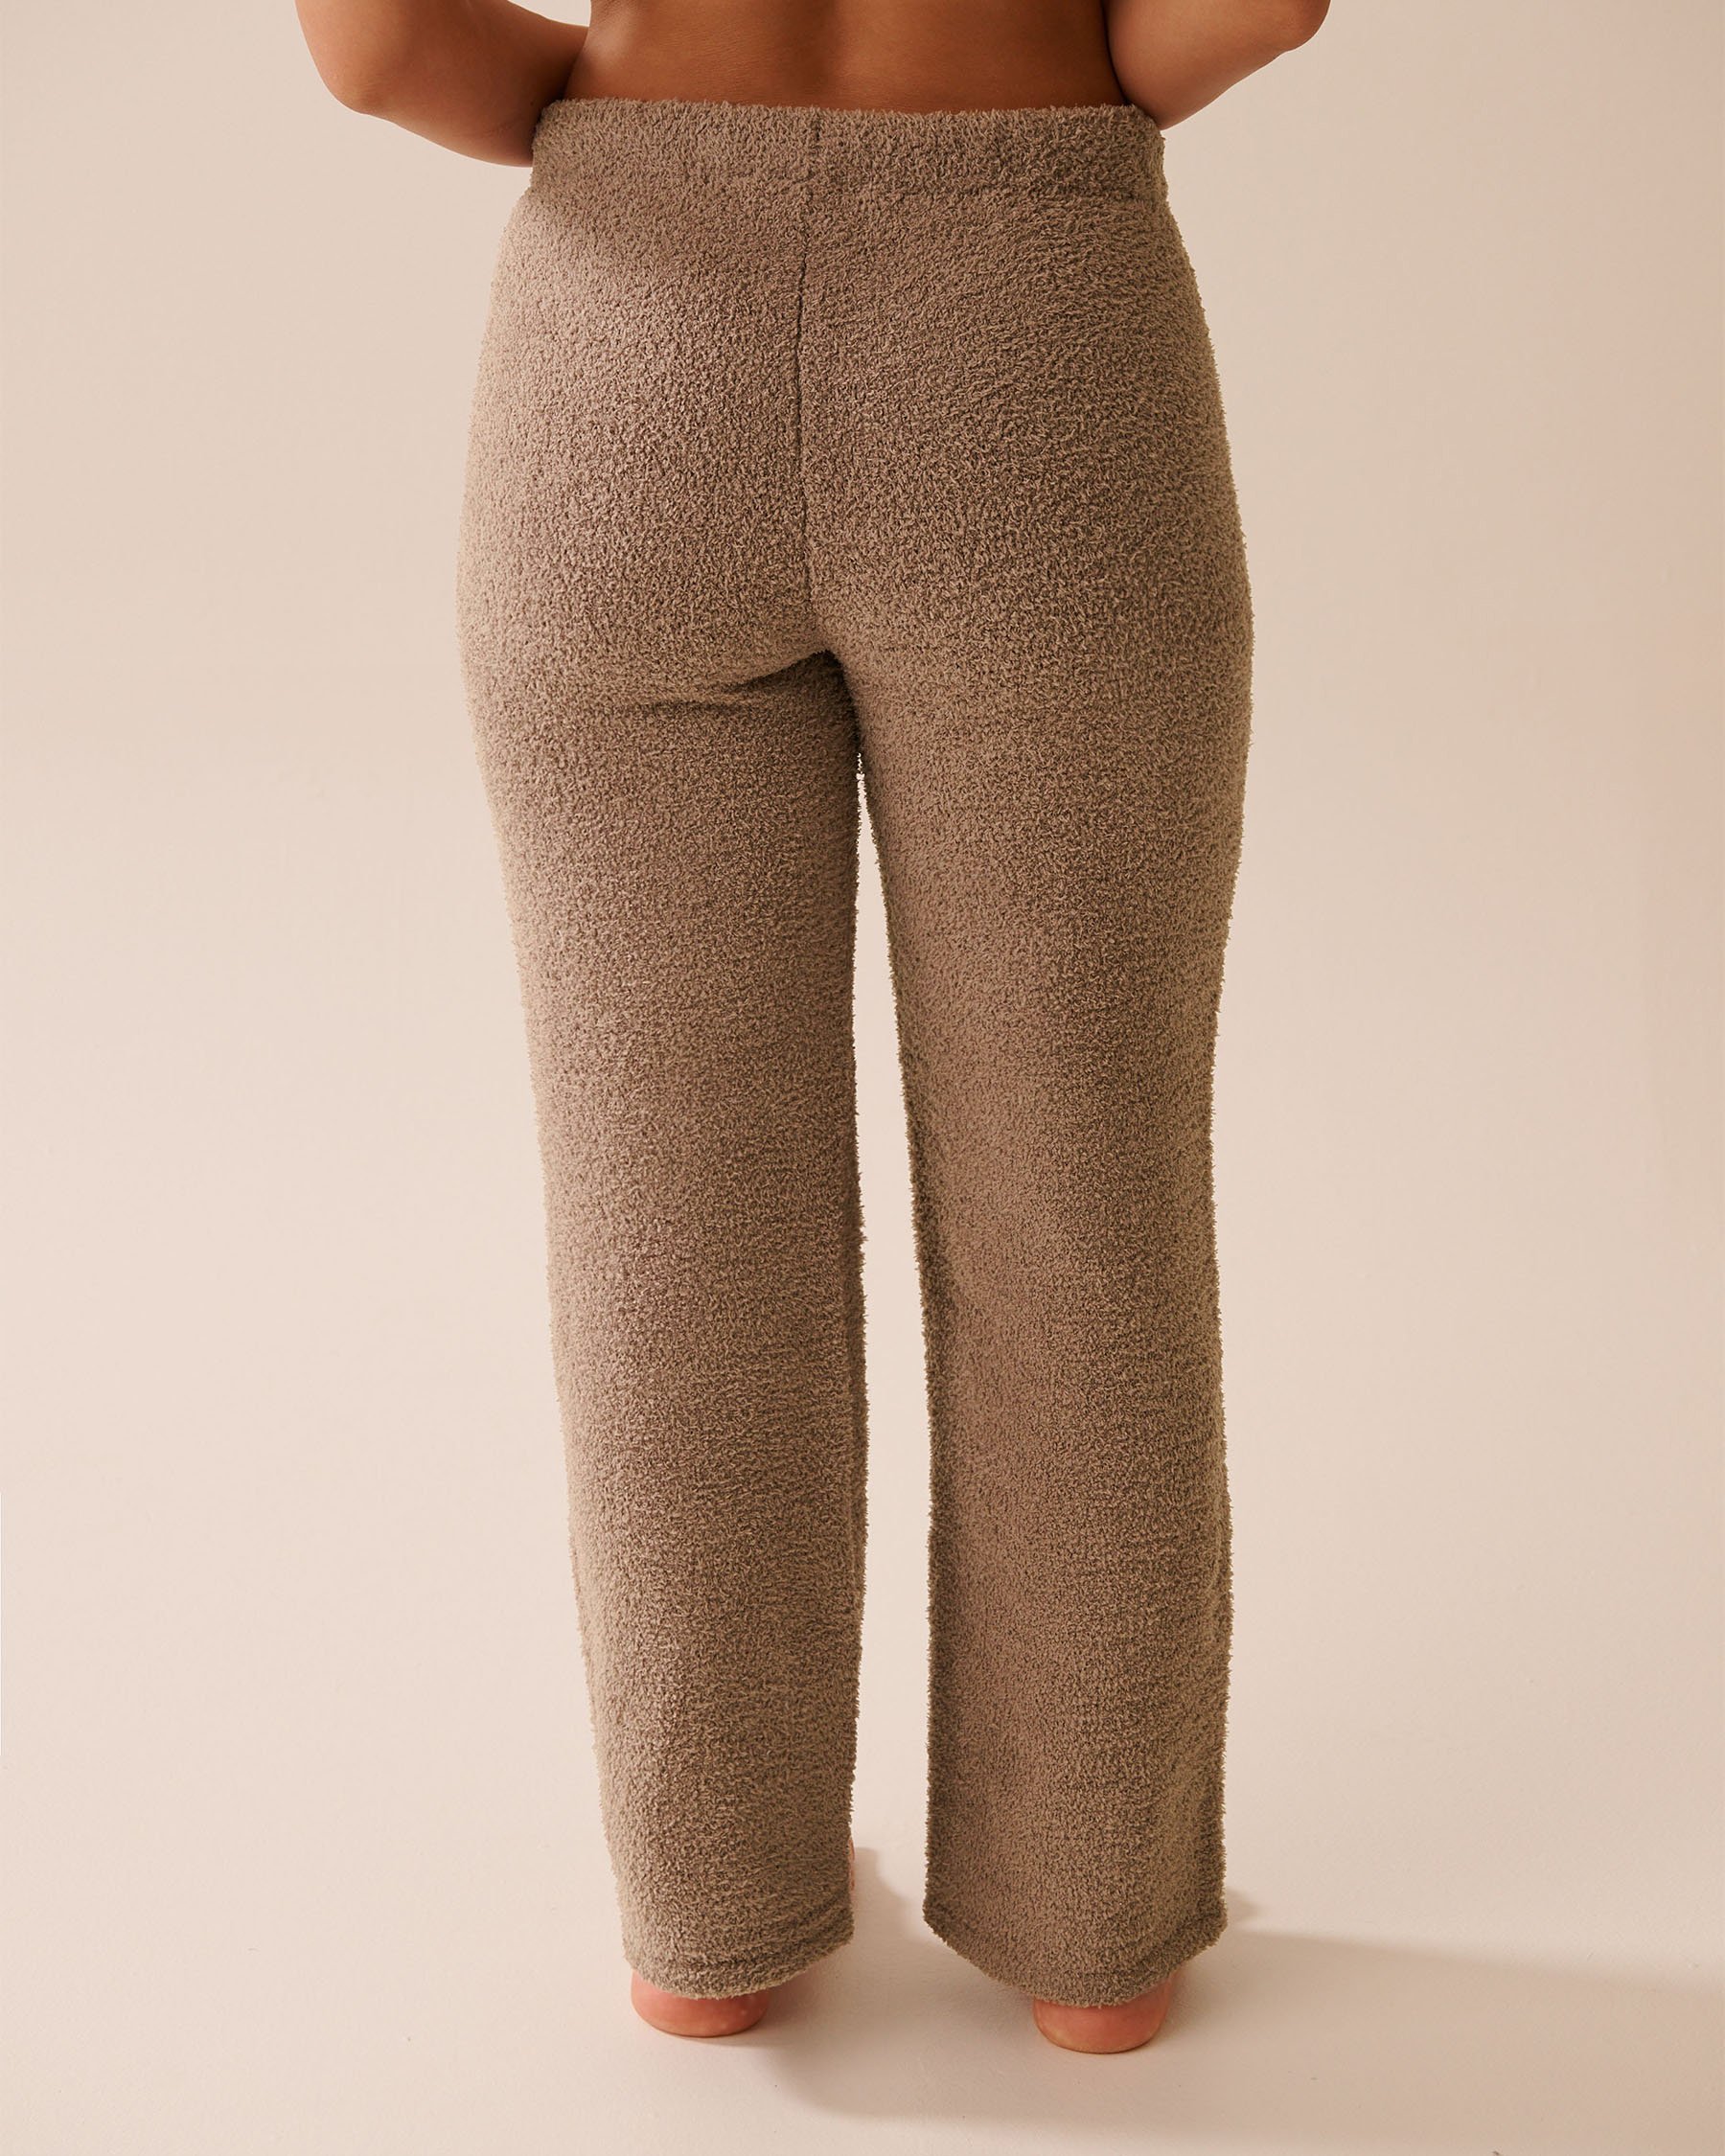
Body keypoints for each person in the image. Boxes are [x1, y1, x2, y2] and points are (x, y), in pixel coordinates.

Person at [296, 0, 1328, 2059]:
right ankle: (1094, 1938)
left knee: (665, 1207)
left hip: (626, 360)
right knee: (1081, 1196)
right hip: (1033, 337)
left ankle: (712, 1920)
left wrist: (642, 129)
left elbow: (379, 45)